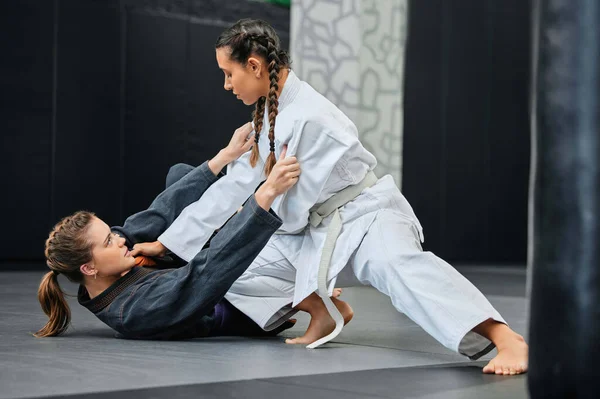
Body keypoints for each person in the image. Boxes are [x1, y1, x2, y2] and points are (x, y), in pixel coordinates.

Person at [135, 19, 528, 375]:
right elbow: (232, 189)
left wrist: (256, 203)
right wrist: (169, 244)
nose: (226, 85)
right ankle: (319, 309)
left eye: (229, 73)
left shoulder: (309, 116)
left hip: (364, 215)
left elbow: (280, 206)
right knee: (230, 263)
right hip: (312, 227)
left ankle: (505, 338)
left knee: (394, 265)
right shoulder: (269, 115)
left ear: (254, 66)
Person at [35, 127, 315, 339]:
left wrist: (225, 156)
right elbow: (208, 273)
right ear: (89, 267)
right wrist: (264, 197)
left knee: (178, 174)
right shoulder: (134, 310)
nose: (119, 239)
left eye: (112, 233)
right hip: (226, 296)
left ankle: (231, 216)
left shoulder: (111, 263)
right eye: (109, 240)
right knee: (238, 236)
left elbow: (156, 215)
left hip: (185, 268)